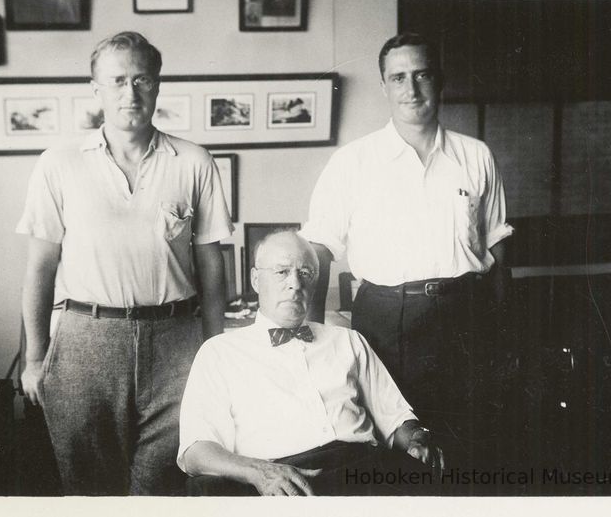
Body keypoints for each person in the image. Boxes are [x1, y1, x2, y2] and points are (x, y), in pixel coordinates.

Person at [16, 31, 233, 495]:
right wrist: (35, 358)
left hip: (177, 344)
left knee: (165, 485)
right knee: (90, 488)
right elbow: (40, 268)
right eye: (116, 81)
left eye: (141, 80)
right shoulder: (59, 164)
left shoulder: (193, 161)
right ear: (95, 89)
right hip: (84, 343)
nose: (129, 93)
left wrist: (217, 355)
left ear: (157, 85)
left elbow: (212, 267)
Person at [300, 32, 515, 467]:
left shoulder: (476, 156)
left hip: (466, 315)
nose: (411, 89)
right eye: (398, 78)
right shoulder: (352, 162)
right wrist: (312, 336)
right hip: (386, 319)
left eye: (422, 75)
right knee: (396, 448)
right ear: (384, 87)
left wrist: (503, 333)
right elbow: (319, 252)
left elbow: (496, 251)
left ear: (440, 81)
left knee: (472, 443)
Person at [178, 230, 443, 496]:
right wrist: (259, 472)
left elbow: (397, 419)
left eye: (305, 273)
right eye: (281, 272)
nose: (295, 284)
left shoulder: (348, 340)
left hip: (365, 471)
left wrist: (417, 437)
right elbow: (196, 451)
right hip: (284, 480)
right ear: (256, 280)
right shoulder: (220, 353)